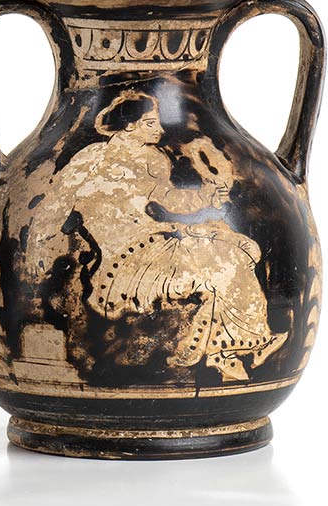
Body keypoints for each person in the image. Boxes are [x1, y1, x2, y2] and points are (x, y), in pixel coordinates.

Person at [30, 91, 285, 381]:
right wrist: (40, 249)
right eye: (150, 123)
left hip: (153, 239)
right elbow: (57, 203)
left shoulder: (152, 159)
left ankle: (230, 351)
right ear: (130, 125)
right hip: (123, 259)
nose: (160, 130)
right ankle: (228, 351)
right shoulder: (90, 158)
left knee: (238, 251)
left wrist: (206, 195)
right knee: (221, 268)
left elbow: (169, 199)